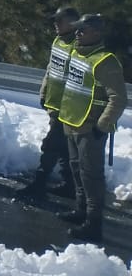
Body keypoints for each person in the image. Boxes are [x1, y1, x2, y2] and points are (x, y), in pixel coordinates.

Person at [54, 13, 126, 242]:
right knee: (77, 171)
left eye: (82, 30)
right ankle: (81, 211)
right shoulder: (77, 53)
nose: (77, 34)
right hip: (72, 122)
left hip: (91, 128)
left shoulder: (105, 61)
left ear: (96, 33)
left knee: (91, 176)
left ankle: (93, 224)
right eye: (76, 30)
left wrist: (102, 126)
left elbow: (118, 98)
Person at [14, 6, 80, 201]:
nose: (55, 24)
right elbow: (51, 70)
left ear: (72, 23)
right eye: (55, 20)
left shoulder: (78, 46)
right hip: (55, 103)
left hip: (69, 107)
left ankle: (39, 184)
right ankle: (69, 185)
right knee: (64, 147)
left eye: (60, 20)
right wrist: (44, 92)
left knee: (51, 144)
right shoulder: (58, 41)